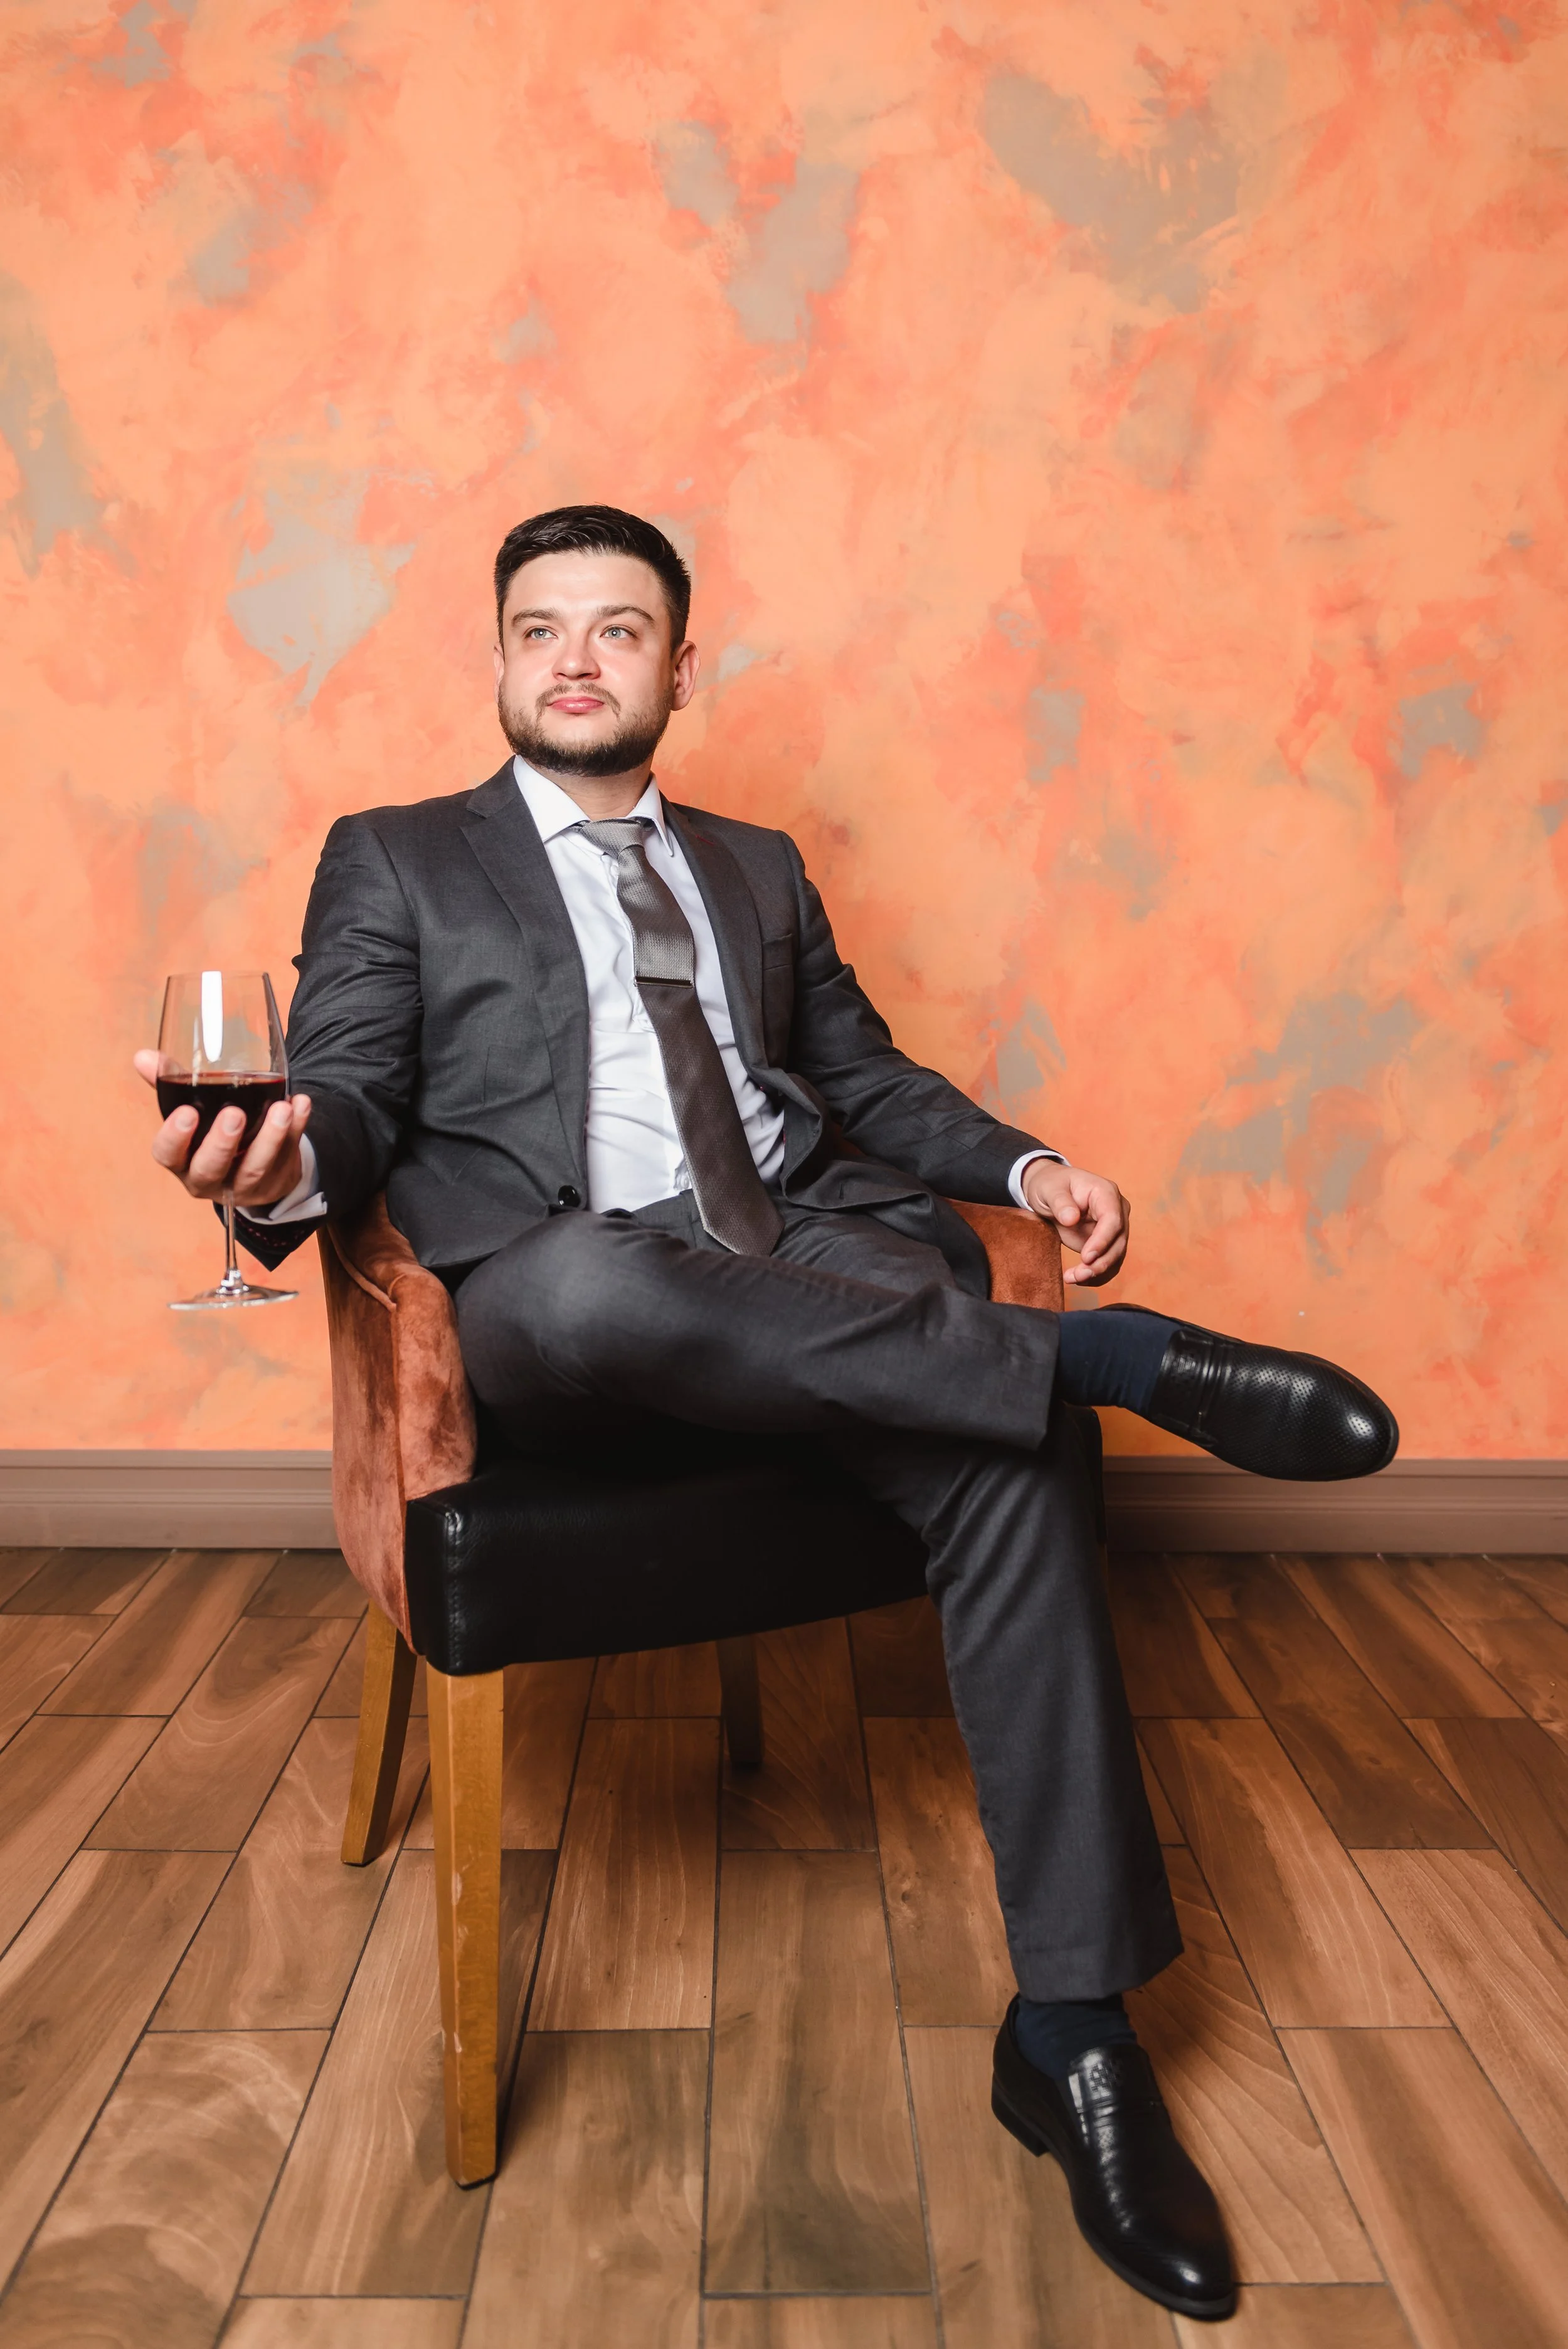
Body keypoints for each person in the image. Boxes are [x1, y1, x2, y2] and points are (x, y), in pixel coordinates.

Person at [137, 504, 1396, 2323]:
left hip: (808, 1271)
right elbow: (338, 1093)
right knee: (593, 1276)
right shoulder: (399, 860)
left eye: (619, 628)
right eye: (540, 627)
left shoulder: (754, 863)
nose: (576, 656)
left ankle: (1073, 2034)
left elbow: (862, 1078)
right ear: (496, 663)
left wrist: (1027, 1163)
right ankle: (1125, 1366)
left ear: (677, 667)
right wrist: (265, 1177)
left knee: (999, 1428)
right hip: (579, 1309)